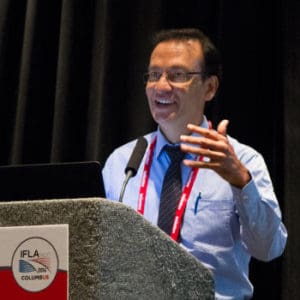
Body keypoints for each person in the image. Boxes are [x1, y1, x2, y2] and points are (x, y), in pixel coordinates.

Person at [102, 28, 287, 299]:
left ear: (210, 88)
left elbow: (269, 248)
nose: (161, 86)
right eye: (154, 75)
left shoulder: (243, 161)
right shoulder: (123, 162)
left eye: (177, 75)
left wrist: (240, 182)